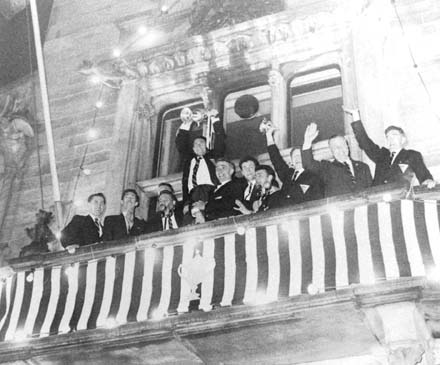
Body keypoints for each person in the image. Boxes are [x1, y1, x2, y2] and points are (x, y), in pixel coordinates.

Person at [347, 108, 435, 188]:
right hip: (377, 200)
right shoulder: (381, 155)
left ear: (403, 139)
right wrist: (355, 115)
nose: (390, 139)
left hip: (400, 200)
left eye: (394, 135)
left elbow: (424, 175)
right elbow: (365, 142)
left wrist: (429, 181)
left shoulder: (412, 155)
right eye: (388, 137)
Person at [175, 107, 226, 212]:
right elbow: (180, 144)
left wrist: (214, 119)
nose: (199, 146)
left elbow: (220, 139)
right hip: (191, 195)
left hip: (209, 191)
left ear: (206, 147)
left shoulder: (212, 157)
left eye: (202, 143)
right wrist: (187, 123)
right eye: (196, 144)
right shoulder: (189, 160)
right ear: (193, 148)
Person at [302, 123, 372, 197]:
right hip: (339, 207)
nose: (340, 149)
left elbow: (372, 193)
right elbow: (308, 165)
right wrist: (307, 142)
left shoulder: (363, 167)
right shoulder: (327, 168)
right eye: (335, 147)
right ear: (331, 151)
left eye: (342, 145)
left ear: (347, 146)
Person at [264, 122, 324, 205]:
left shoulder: (313, 173)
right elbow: (276, 159)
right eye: (295, 156)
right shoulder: (288, 175)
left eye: (300, 156)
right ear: (291, 161)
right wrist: (269, 135)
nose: (297, 158)